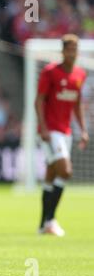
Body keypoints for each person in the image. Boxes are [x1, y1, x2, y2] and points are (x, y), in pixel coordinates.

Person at [35, 34, 89, 236]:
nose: (73, 53)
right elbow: (39, 100)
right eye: (69, 49)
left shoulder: (79, 75)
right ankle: (51, 221)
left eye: (75, 49)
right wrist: (43, 128)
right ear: (63, 51)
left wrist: (82, 130)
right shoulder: (50, 72)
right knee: (65, 171)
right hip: (50, 131)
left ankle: (43, 225)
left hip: (65, 131)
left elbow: (76, 104)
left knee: (51, 175)